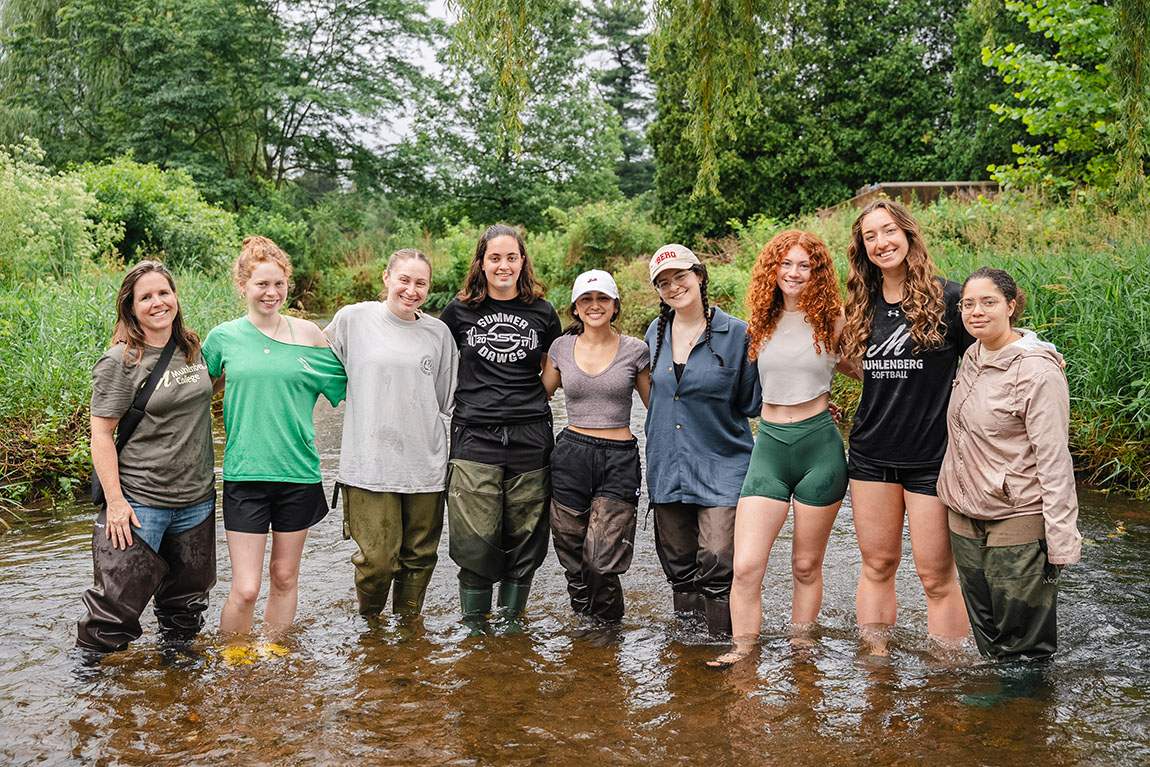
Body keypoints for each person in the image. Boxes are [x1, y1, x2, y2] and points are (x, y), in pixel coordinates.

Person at [710, 230, 851, 667]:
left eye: (804, 265)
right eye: (785, 264)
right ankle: (743, 650)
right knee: (747, 566)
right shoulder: (759, 321)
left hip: (820, 449)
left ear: (818, 272)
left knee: (806, 566)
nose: (794, 273)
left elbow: (875, 369)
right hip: (768, 447)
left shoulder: (835, 320)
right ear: (772, 269)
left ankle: (802, 648)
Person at [839, 199, 971, 654]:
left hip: (932, 458)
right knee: (877, 565)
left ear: (909, 234)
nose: (881, 242)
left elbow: (993, 353)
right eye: (869, 237)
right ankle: (876, 665)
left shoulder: (950, 299)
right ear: (862, 250)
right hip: (871, 455)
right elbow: (839, 361)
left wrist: (1037, 354)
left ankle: (948, 668)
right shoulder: (858, 305)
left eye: (888, 231)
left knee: (936, 576)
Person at [201, 236, 346, 638]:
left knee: (284, 577)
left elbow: (354, 388)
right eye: (262, 284)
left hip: (298, 473)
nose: (272, 292)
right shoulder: (223, 338)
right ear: (243, 285)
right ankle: (233, 660)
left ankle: (274, 655)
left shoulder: (310, 336)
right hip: (245, 473)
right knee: (246, 588)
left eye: (279, 284)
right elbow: (193, 394)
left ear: (288, 285)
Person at [937, 268, 1079, 661]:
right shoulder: (971, 355)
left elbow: (1054, 459)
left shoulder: (1038, 371)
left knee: (1023, 648)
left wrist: (1061, 538)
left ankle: (1024, 717)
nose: (976, 312)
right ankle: (993, 718)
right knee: (987, 635)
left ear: (1011, 306)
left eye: (989, 302)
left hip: (1018, 517)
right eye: (968, 304)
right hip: (965, 516)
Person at [77, 261, 216, 655]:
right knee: (113, 611)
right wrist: (116, 503)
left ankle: (177, 683)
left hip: (197, 501)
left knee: (185, 609)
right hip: (140, 503)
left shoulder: (191, 347)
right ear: (131, 308)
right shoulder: (121, 361)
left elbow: (205, 392)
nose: (158, 302)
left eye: (164, 293)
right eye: (146, 297)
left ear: (175, 296)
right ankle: (86, 692)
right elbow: (101, 434)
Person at [439, 224, 562, 633]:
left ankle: (512, 621)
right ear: (481, 262)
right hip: (474, 435)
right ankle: (474, 624)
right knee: (474, 537)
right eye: (495, 257)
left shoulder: (543, 312)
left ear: (522, 262)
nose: (503, 265)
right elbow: (435, 358)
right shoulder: (458, 311)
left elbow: (553, 368)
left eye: (511, 257)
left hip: (531, 436)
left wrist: (526, 401)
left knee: (526, 535)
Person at [324, 249, 458, 619]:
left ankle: (407, 632)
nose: (411, 290)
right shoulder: (353, 319)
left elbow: (447, 399)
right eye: (404, 280)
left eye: (421, 283)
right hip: (369, 464)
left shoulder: (439, 333)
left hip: (425, 463)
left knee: (420, 557)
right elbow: (315, 365)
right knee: (378, 561)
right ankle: (371, 627)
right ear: (386, 278)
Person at [644, 244, 761, 635]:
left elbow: (753, 402)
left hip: (723, 464)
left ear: (700, 275)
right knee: (678, 566)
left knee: (716, 557)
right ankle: (689, 660)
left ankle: (723, 647)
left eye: (680, 276)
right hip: (667, 466)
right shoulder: (654, 333)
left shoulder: (738, 334)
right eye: (663, 282)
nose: (673, 286)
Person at [541, 269, 651, 622]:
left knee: (601, 561)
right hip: (571, 455)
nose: (594, 305)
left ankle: (606, 632)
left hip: (619, 459)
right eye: (586, 299)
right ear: (575, 308)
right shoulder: (559, 347)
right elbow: (537, 397)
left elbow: (659, 408)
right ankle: (585, 631)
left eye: (603, 298)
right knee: (573, 558)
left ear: (615, 305)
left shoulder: (637, 350)